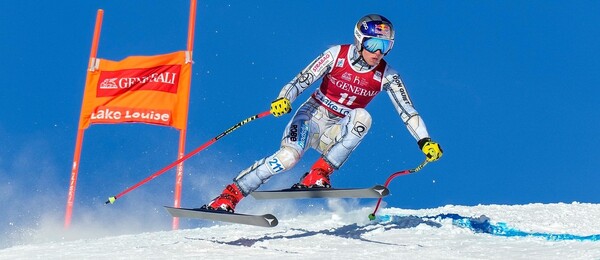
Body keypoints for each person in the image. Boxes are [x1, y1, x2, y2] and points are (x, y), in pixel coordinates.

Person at [202, 14, 443, 213]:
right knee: (287, 159)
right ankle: (227, 197)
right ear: (360, 41)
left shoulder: (387, 75)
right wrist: (284, 99)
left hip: (337, 131)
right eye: (373, 44)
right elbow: (301, 79)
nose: (378, 52)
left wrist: (425, 141)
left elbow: (407, 111)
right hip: (312, 118)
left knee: (363, 118)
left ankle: (318, 174)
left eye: (385, 46)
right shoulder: (336, 55)